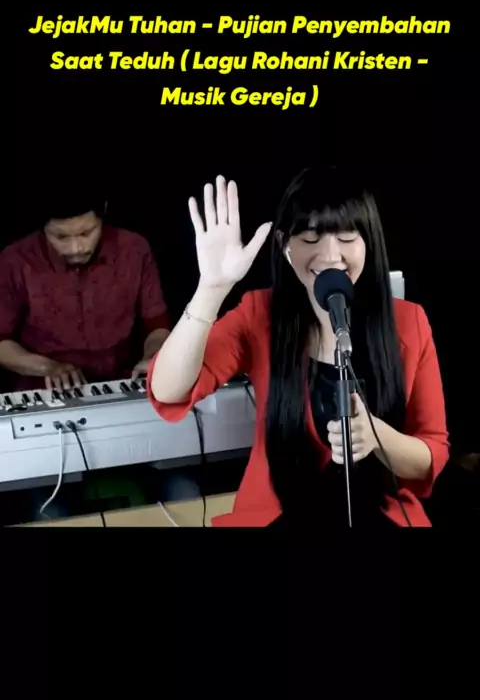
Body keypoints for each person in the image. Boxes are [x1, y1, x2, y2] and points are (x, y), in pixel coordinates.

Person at [147, 169, 449, 528]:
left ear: (369, 241)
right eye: (310, 236)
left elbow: (431, 453)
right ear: (285, 245)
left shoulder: (410, 323)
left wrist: (378, 437)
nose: (330, 254)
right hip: (279, 517)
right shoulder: (259, 314)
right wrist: (211, 288)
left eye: (347, 236)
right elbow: (168, 390)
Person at [0, 197, 170, 392]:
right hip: (45, 388)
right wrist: (48, 368)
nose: (76, 248)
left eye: (86, 233)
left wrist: (152, 358)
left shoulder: (134, 249)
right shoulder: (15, 261)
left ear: (102, 214)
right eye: (61, 237)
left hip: (122, 381)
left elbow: (157, 326)